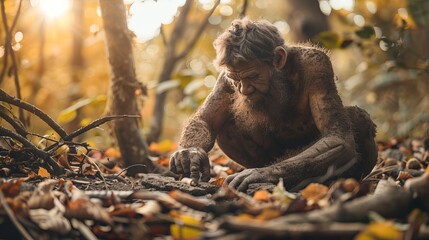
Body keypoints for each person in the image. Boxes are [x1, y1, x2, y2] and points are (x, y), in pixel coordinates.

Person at [169, 18, 377, 191]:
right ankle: (268, 179)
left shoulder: (310, 64)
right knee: (223, 123)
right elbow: (203, 121)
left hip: (319, 162)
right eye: (236, 80)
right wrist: (191, 148)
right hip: (264, 160)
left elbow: (341, 140)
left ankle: (280, 179)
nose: (243, 89)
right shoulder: (230, 77)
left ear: (279, 59)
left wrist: (273, 172)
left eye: (252, 77)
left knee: (356, 121)